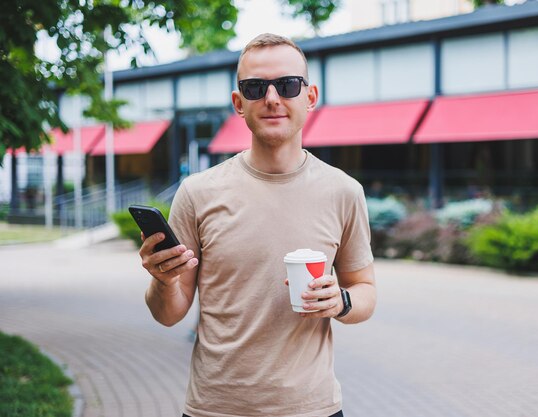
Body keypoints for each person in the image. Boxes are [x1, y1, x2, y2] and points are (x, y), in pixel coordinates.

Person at [139, 33, 376, 417]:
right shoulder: (198, 193)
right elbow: (168, 314)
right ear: (238, 103)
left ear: (310, 96)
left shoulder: (343, 191)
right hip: (214, 409)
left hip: (313, 409)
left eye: (287, 85)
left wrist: (342, 300)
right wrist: (163, 280)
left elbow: (365, 290)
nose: (271, 98)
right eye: (254, 87)